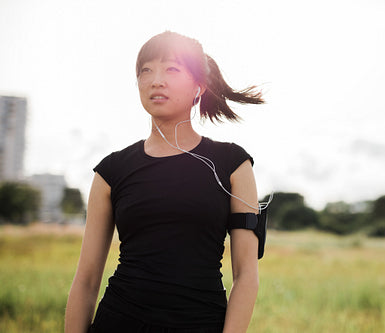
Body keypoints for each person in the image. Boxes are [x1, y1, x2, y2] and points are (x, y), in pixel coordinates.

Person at [65, 31, 265, 333]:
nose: (156, 79)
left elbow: (246, 275)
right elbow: (86, 279)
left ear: (199, 85)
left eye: (171, 69)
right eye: (146, 70)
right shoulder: (111, 170)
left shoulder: (233, 164)